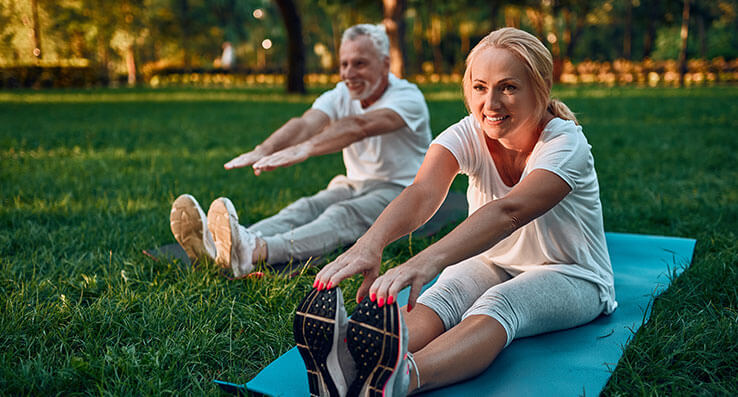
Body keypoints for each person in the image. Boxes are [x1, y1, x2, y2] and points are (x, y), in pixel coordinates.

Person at [298, 27, 617, 396]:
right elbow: (423, 191)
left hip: (573, 274)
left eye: (508, 87)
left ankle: (400, 380)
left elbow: (509, 212)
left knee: (500, 303)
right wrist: (371, 243)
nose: (491, 104)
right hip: (492, 261)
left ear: (541, 86)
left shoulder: (565, 143)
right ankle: (350, 365)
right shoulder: (469, 132)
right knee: (441, 295)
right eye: (480, 87)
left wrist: (425, 261)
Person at [169, 24, 431, 278]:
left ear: (385, 64)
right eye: (344, 64)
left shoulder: (408, 98)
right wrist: (264, 149)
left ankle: (256, 251)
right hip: (354, 183)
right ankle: (223, 243)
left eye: (360, 63)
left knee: (343, 214)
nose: (349, 73)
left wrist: (306, 148)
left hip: (403, 189)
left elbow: (359, 126)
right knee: (304, 208)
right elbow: (306, 123)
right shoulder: (342, 93)